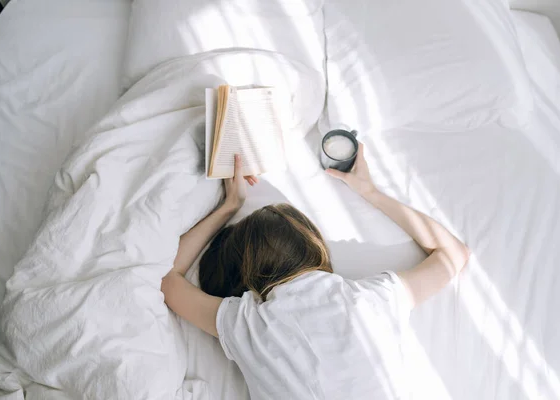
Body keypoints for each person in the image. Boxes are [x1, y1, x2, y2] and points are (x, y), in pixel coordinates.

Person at [161, 145, 469, 399]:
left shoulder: (247, 323)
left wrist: (229, 206)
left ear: (248, 270)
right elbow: (454, 253)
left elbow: (167, 277)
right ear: (314, 245)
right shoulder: (373, 300)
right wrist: (371, 192)